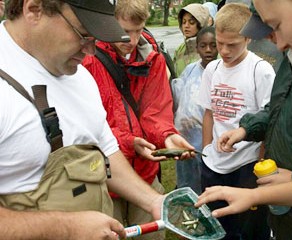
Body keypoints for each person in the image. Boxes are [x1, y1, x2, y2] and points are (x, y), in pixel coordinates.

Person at [0, 0, 167, 239]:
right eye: (83, 35)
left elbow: (106, 149)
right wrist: (65, 228)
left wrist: (153, 200)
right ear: (34, 9)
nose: (91, 50)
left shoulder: (81, 77)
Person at [195, 0, 292, 239]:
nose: (278, 43)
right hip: (283, 196)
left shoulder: (264, 68)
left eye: (276, 25)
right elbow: (276, 111)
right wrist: (245, 129)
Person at [82, 1, 194, 239]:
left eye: (138, 30)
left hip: (144, 173)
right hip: (101, 175)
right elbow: (87, 126)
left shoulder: (154, 58)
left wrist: (168, 136)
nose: (132, 41)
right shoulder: (87, 60)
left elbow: (155, 112)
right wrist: (128, 142)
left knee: (152, 234)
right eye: (124, 32)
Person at [197, 3, 275, 239]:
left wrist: (259, 165)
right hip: (213, 165)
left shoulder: (260, 71)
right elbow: (209, 113)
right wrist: (206, 150)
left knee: (249, 230)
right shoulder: (212, 69)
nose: (224, 50)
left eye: (232, 45)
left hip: (246, 166)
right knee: (217, 226)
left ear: (249, 39)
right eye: (220, 43)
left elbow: (268, 120)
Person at [171, 26, 218, 195]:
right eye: (203, 45)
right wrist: (182, 121)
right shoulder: (190, 70)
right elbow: (180, 99)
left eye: (213, 45)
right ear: (197, 47)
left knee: (209, 186)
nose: (208, 50)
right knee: (188, 185)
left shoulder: (222, 72)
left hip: (212, 142)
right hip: (187, 140)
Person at [173, 3, 209, 78]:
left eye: (191, 22)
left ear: (200, 24)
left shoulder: (209, 48)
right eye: (184, 22)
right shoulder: (179, 50)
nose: (186, 26)